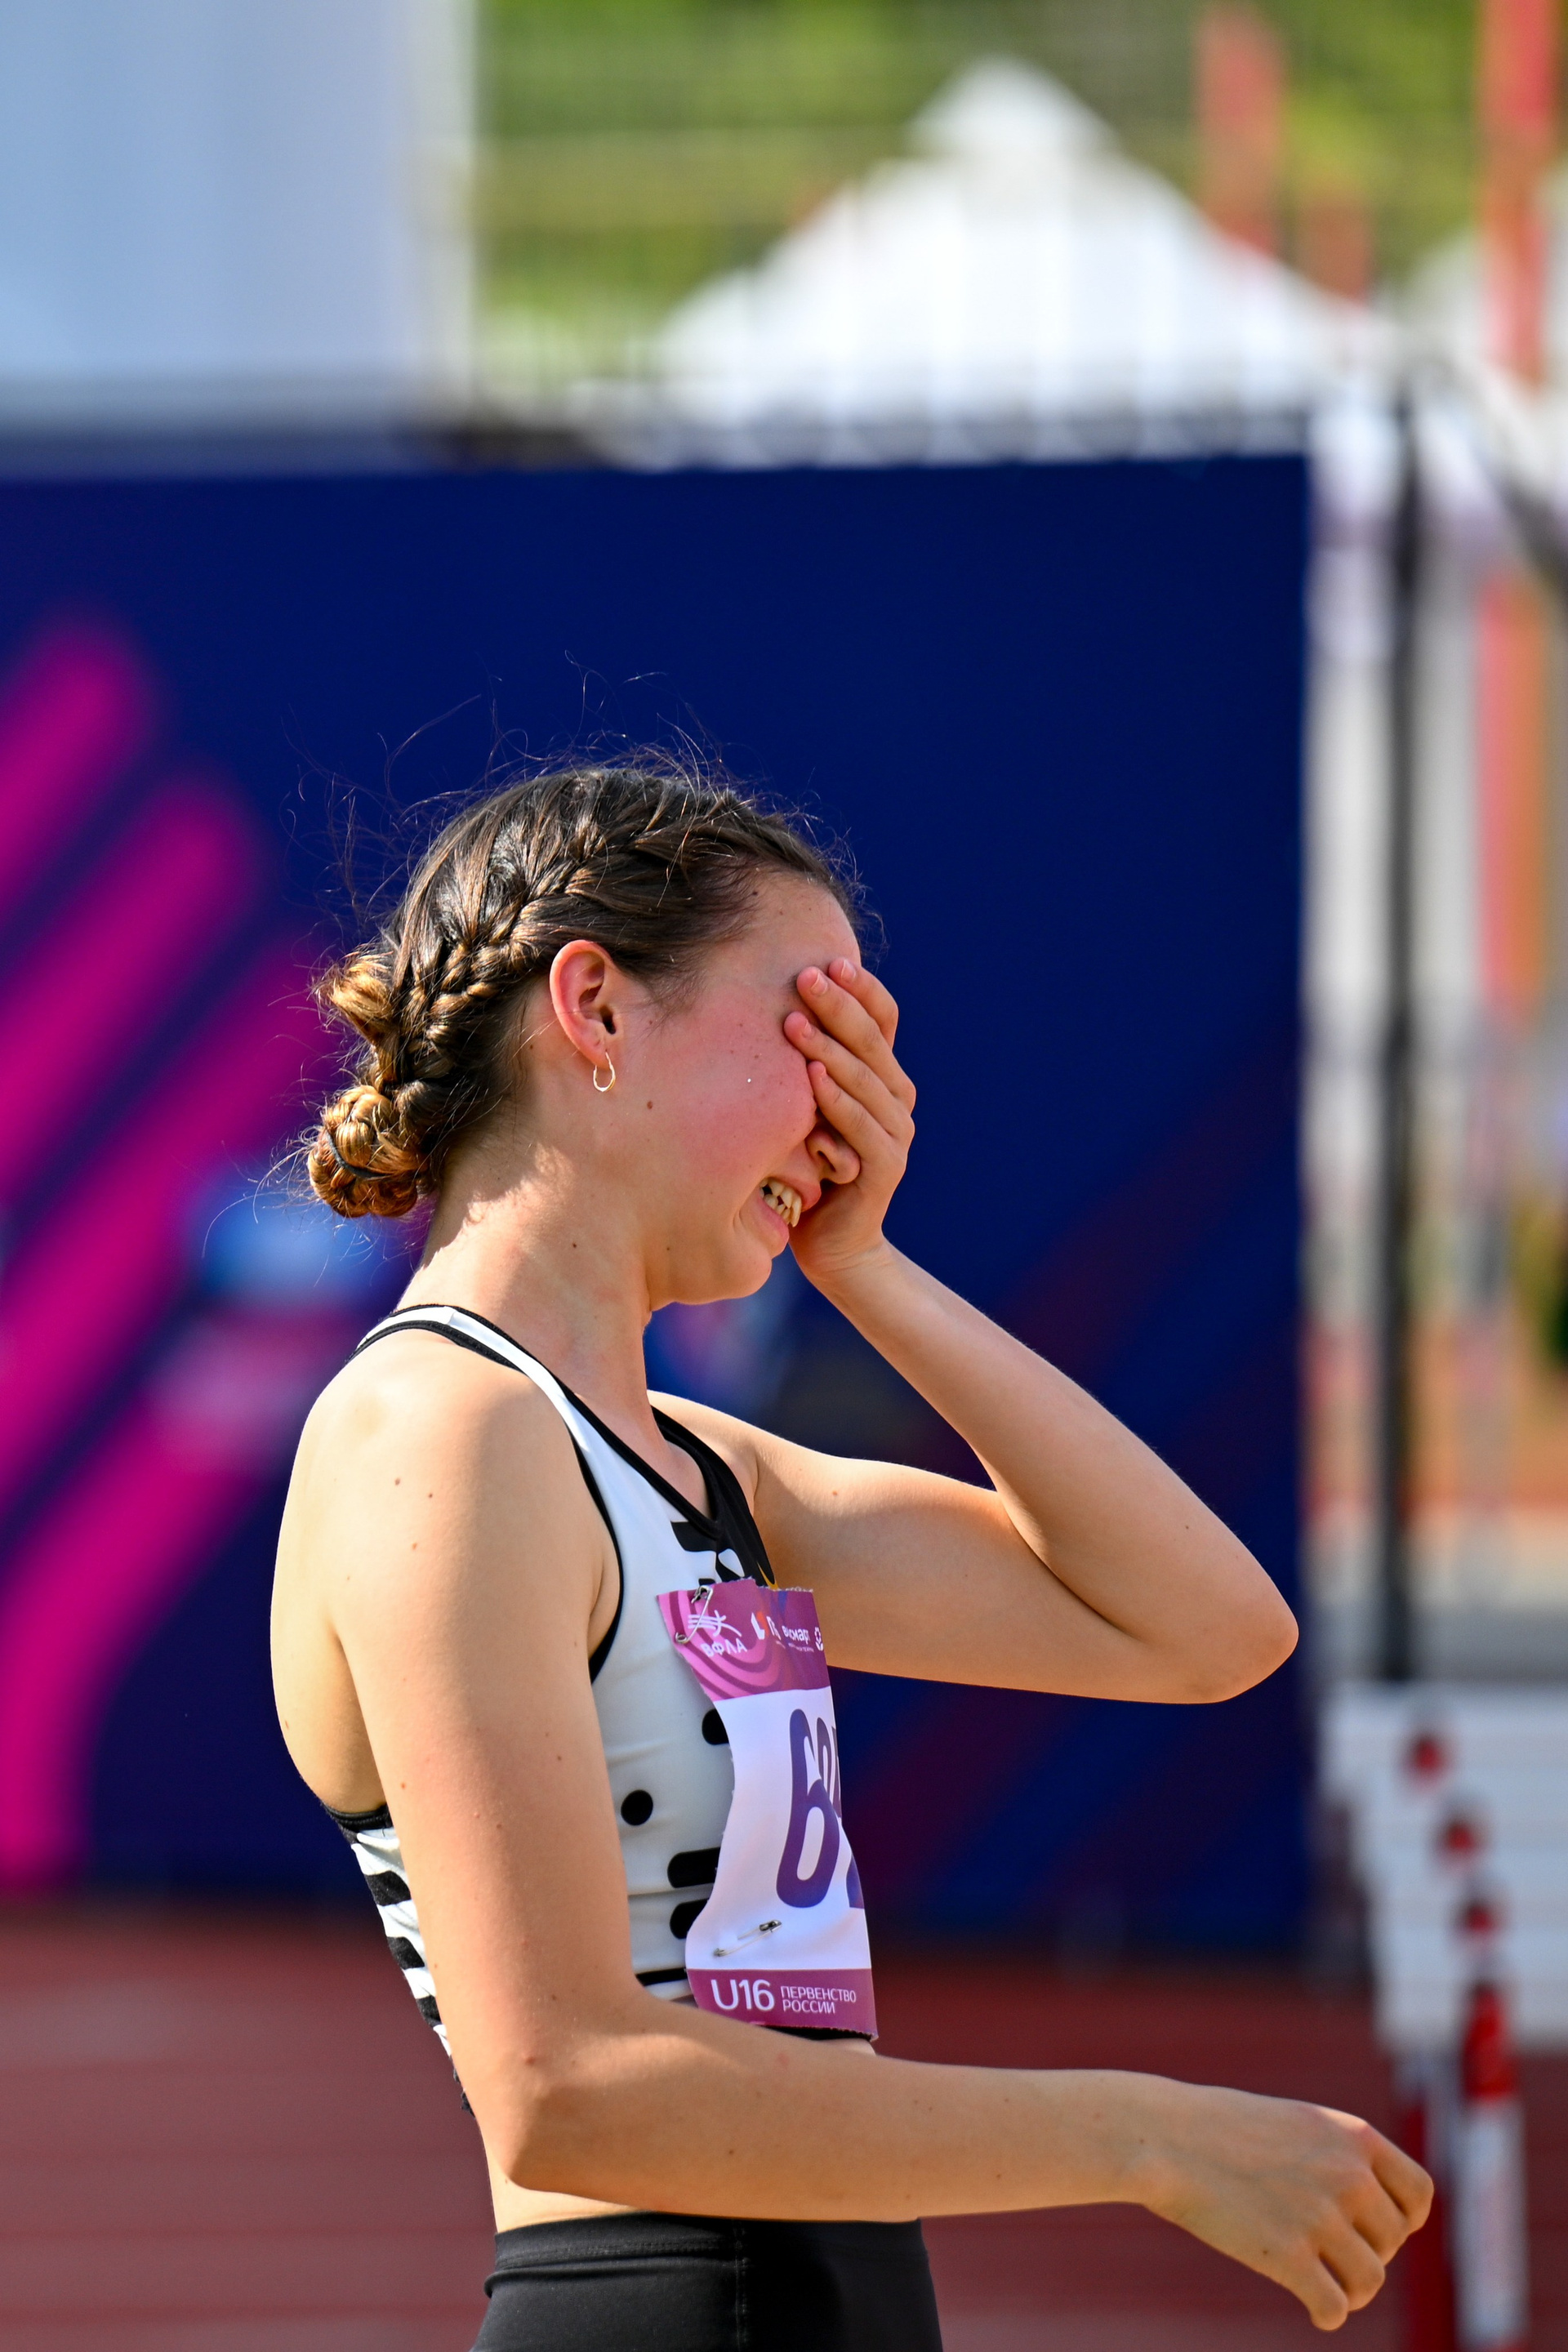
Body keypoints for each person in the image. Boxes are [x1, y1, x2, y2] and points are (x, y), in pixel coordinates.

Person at [272, 764, 1430, 2351]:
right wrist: (1145, 2137)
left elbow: (1210, 1630)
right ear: (596, 1010)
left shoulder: (704, 1469)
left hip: (830, 2303)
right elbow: (566, 2089)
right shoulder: (444, 1431)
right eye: (811, 1030)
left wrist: (867, 1264)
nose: (850, 1108)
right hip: (659, 2306)